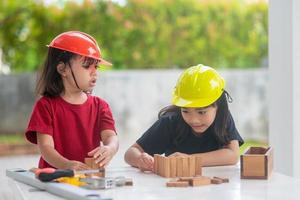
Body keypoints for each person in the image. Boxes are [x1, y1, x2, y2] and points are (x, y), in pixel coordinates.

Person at [25, 31, 119, 170]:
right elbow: (46, 147)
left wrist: (110, 148)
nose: (95, 72)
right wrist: (67, 165)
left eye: (96, 66)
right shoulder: (45, 106)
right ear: (63, 69)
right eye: (87, 65)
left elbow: (111, 136)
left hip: (90, 178)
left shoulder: (100, 106)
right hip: (55, 180)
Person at [124, 64, 244, 171]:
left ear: (218, 107)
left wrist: (189, 159)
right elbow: (130, 153)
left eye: (201, 112)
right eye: (185, 110)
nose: (193, 120)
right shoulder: (170, 122)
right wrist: (140, 159)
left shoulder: (223, 117)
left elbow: (233, 155)